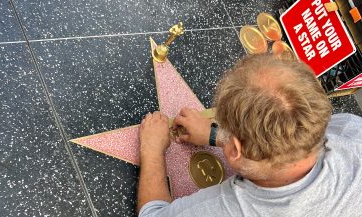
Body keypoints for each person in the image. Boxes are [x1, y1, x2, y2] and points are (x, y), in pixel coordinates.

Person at [137, 54, 362, 216]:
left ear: (235, 151)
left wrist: (152, 150)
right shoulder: (352, 129)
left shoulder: (238, 210)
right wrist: (215, 135)